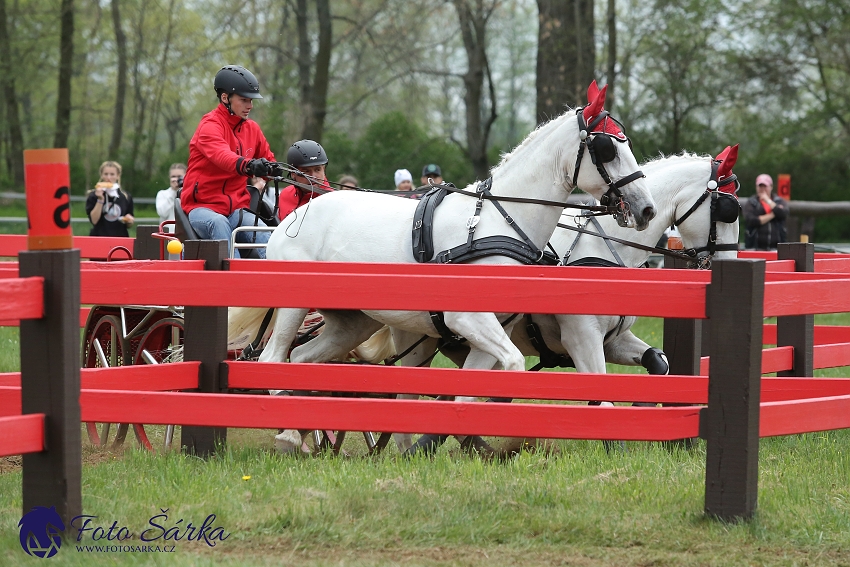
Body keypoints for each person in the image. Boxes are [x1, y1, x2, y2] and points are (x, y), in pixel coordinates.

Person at [180, 64, 282, 258]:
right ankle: (232, 278)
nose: (250, 106)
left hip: (236, 210)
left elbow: (269, 159)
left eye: (251, 100)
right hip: (202, 208)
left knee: (266, 235)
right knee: (219, 224)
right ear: (225, 98)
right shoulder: (209, 126)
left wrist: (272, 170)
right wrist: (250, 165)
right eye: (244, 100)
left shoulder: (252, 129)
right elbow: (223, 157)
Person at [277, 139, 333, 221]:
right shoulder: (285, 195)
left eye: (317, 169)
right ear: (293, 173)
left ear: (324, 169)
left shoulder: (332, 200)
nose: (313, 176)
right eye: (306, 171)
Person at [86, 161, 134, 237]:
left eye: (112, 174)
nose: (108, 178)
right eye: (106, 174)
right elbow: (94, 221)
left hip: (120, 238)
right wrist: (100, 199)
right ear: (101, 175)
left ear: (118, 176)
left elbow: (129, 224)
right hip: (99, 237)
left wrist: (129, 221)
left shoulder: (125, 196)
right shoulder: (94, 195)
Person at [743, 173, 788, 250]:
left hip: (776, 248)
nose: (763, 189)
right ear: (756, 187)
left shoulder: (779, 201)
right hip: (755, 248)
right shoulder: (751, 202)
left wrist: (768, 201)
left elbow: (784, 213)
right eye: (760, 186)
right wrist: (773, 214)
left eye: (765, 186)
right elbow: (752, 220)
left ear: (771, 187)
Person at [155, 163, 187, 231]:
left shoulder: (188, 193)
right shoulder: (163, 194)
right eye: (173, 176)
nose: (176, 179)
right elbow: (162, 213)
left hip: (185, 233)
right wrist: (174, 192)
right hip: (168, 233)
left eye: (179, 177)